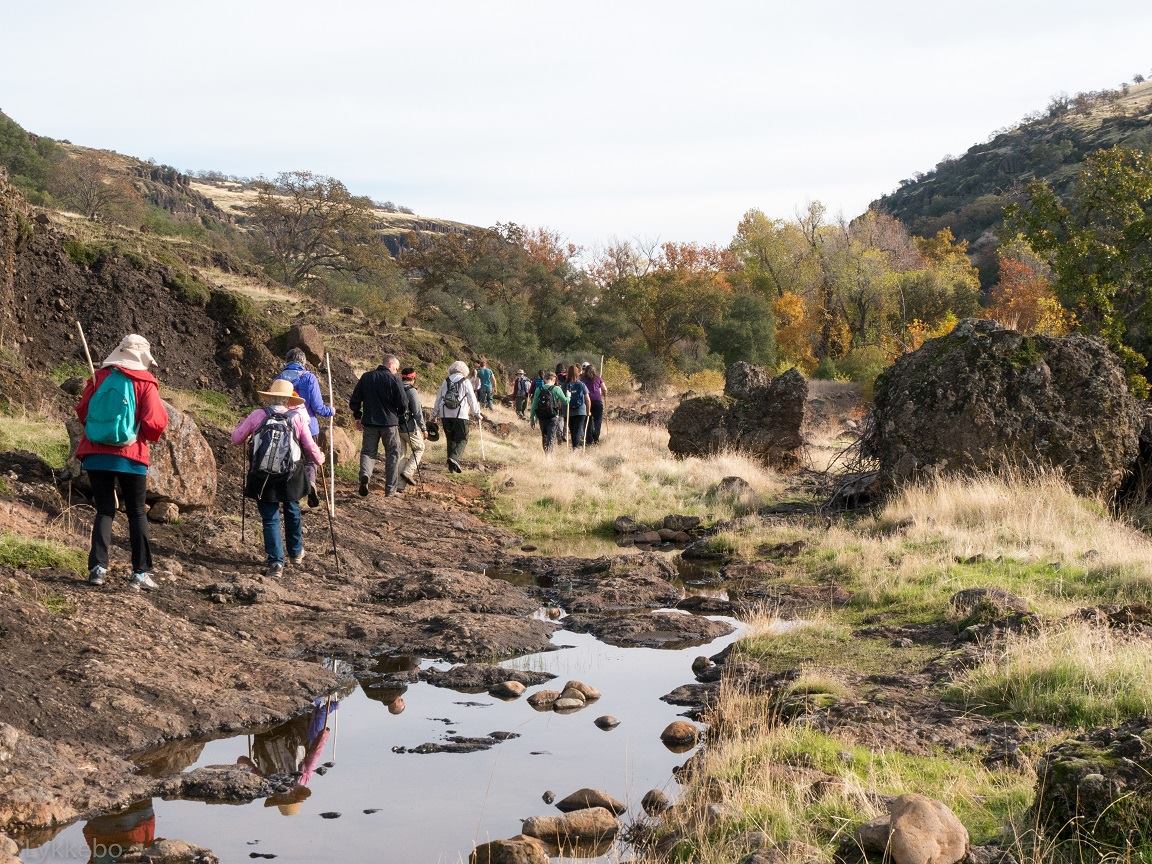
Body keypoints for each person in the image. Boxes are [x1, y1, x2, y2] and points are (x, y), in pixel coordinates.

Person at [75, 334, 169, 591]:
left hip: (95, 454)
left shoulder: (99, 378)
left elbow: (83, 411)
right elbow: (154, 422)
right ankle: (140, 573)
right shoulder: (145, 382)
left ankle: (97, 569)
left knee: (104, 509)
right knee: (137, 512)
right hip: (131, 455)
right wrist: (147, 436)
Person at [231, 379, 325, 578]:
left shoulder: (258, 415)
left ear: (270, 396)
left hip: (262, 475)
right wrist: (320, 458)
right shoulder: (297, 418)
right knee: (292, 510)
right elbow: (309, 447)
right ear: (289, 400)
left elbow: (236, 438)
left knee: (270, 518)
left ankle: (275, 563)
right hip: (291, 474)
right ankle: (296, 552)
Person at [275, 347, 335, 508]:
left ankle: (290, 494)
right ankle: (310, 483)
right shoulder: (309, 378)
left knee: (289, 460)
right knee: (310, 461)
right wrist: (331, 410)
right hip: (308, 426)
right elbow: (318, 407)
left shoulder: (279, 378)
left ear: (287, 361)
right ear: (303, 362)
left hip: (285, 426)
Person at [349, 354, 408, 497]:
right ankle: (390, 490)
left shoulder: (366, 377)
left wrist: (358, 416)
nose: (397, 370)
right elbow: (403, 403)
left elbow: (355, 400)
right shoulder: (395, 379)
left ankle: (365, 475)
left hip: (369, 422)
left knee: (368, 452)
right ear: (391, 364)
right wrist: (400, 415)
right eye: (396, 368)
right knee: (393, 455)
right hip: (390, 423)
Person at [433, 360, 482, 473]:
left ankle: (451, 467)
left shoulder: (445, 381)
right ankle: (454, 458)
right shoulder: (465, 381)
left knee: (450, 439)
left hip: (444, 414)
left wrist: (434, 414)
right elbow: (472, 399)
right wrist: (477, 413)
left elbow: (438, 398)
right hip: (460, 415)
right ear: (465, 370)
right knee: (463, 439)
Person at [398, 367, 427, 488]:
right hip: (409, 428)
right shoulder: (412, 391)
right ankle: (407, 472)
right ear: (413, 378)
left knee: (400, 454)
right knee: (419, 448)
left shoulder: (396, 388)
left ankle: (398, 485)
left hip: (395, 426)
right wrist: (424, 428)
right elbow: (417, 412)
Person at [531, 370, 569, 452]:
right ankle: (549, 456)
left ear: (545, 379)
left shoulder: (539, 389)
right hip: (553, 416)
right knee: (551, 436)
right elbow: (565, 401)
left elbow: (534, 405)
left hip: (541, 417)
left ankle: (546, 454)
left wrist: (532, 419)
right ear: (554, 379)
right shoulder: (557, 389)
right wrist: (568, 396)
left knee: (544, 436)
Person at [564, 363, 591, 448]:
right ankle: (575, 447)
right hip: (580, 411)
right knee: (578, 429)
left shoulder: (565, 385)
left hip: (568, 411)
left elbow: (561, 399)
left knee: (572, 431)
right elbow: (587, 399)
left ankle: (574, 447)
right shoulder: (581, 384)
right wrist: (588, 411)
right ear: (578, 373)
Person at [582, 364, 608, 444]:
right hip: (597, 401)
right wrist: (604, 394)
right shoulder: (598, 378)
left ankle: (589, 440)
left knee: (587, 420)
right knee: (598, 420)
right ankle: (596, 438)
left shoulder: (582, 379)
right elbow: (604, 389)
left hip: (586, 402)